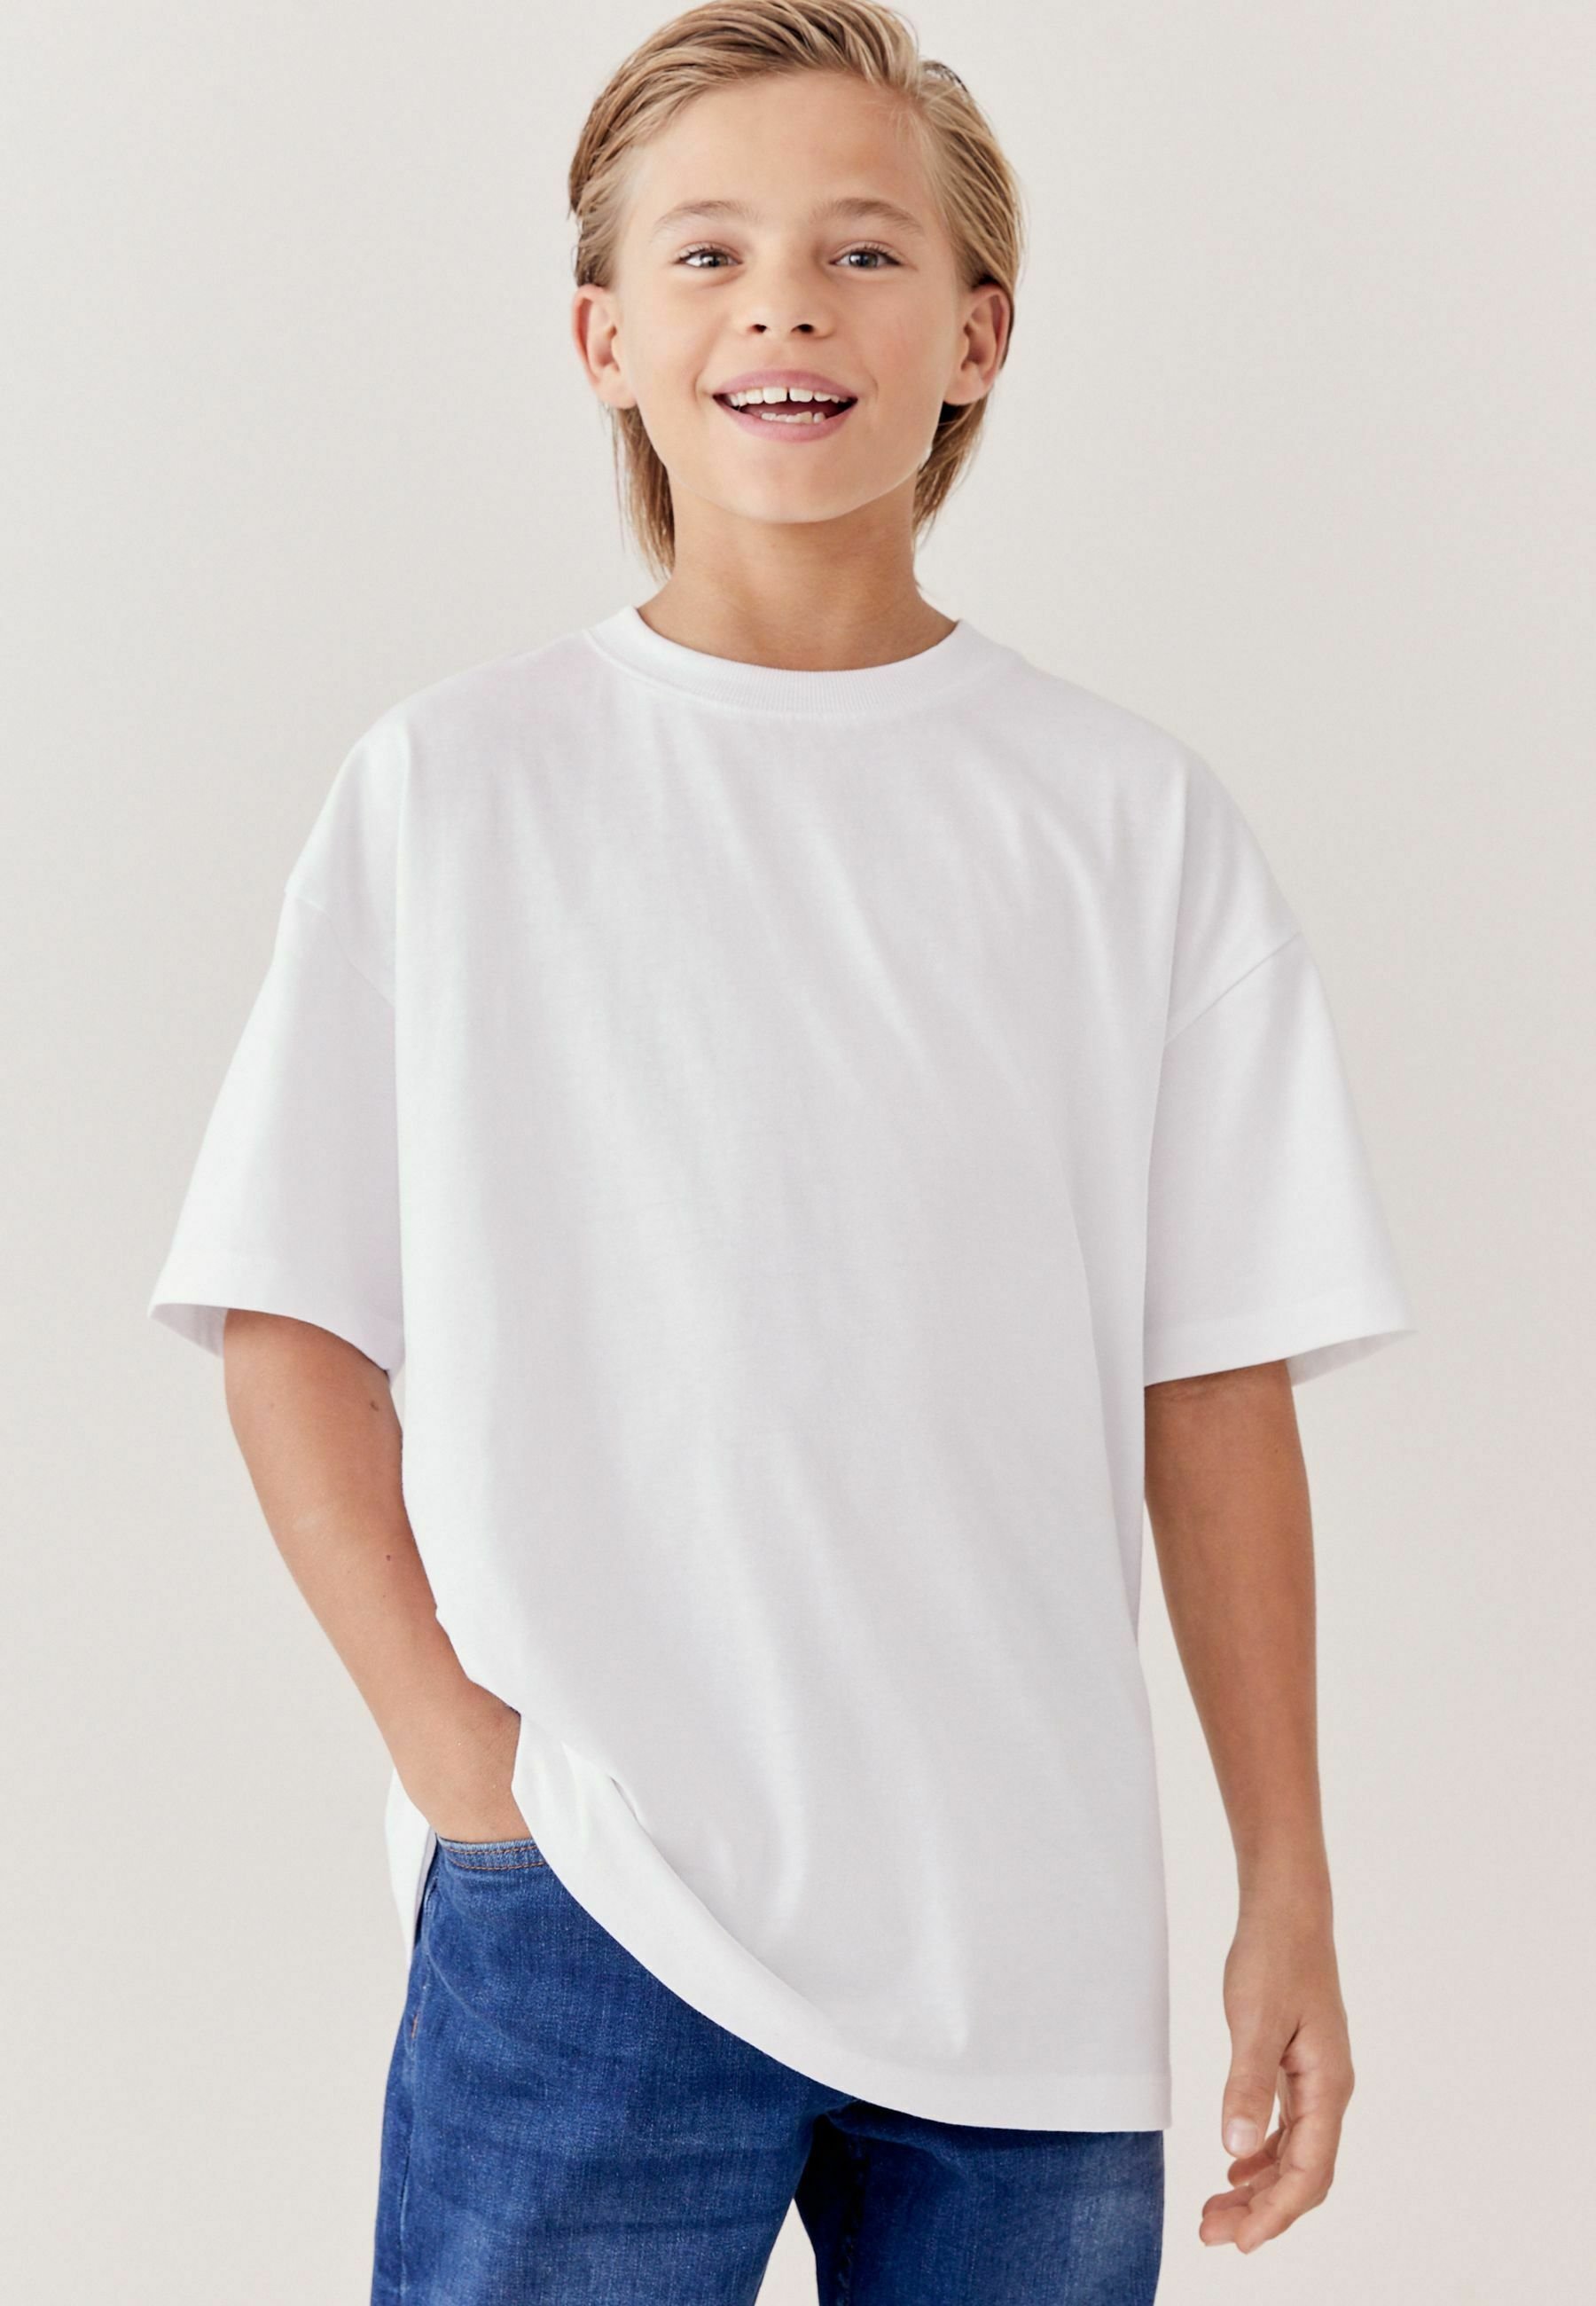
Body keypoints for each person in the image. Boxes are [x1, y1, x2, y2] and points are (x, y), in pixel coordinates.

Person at [145, 4, 1415, 2300]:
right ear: (603, 338)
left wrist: (1287, 1884)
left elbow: (1215, 1389)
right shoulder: (460, 789)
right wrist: (471, 1771)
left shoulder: (1125, 822)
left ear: (979, 335)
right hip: (591, 1908)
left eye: (863, 250)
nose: (786, 307)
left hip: (1026, 1944)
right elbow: (289, 1322)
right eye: (710, 253)